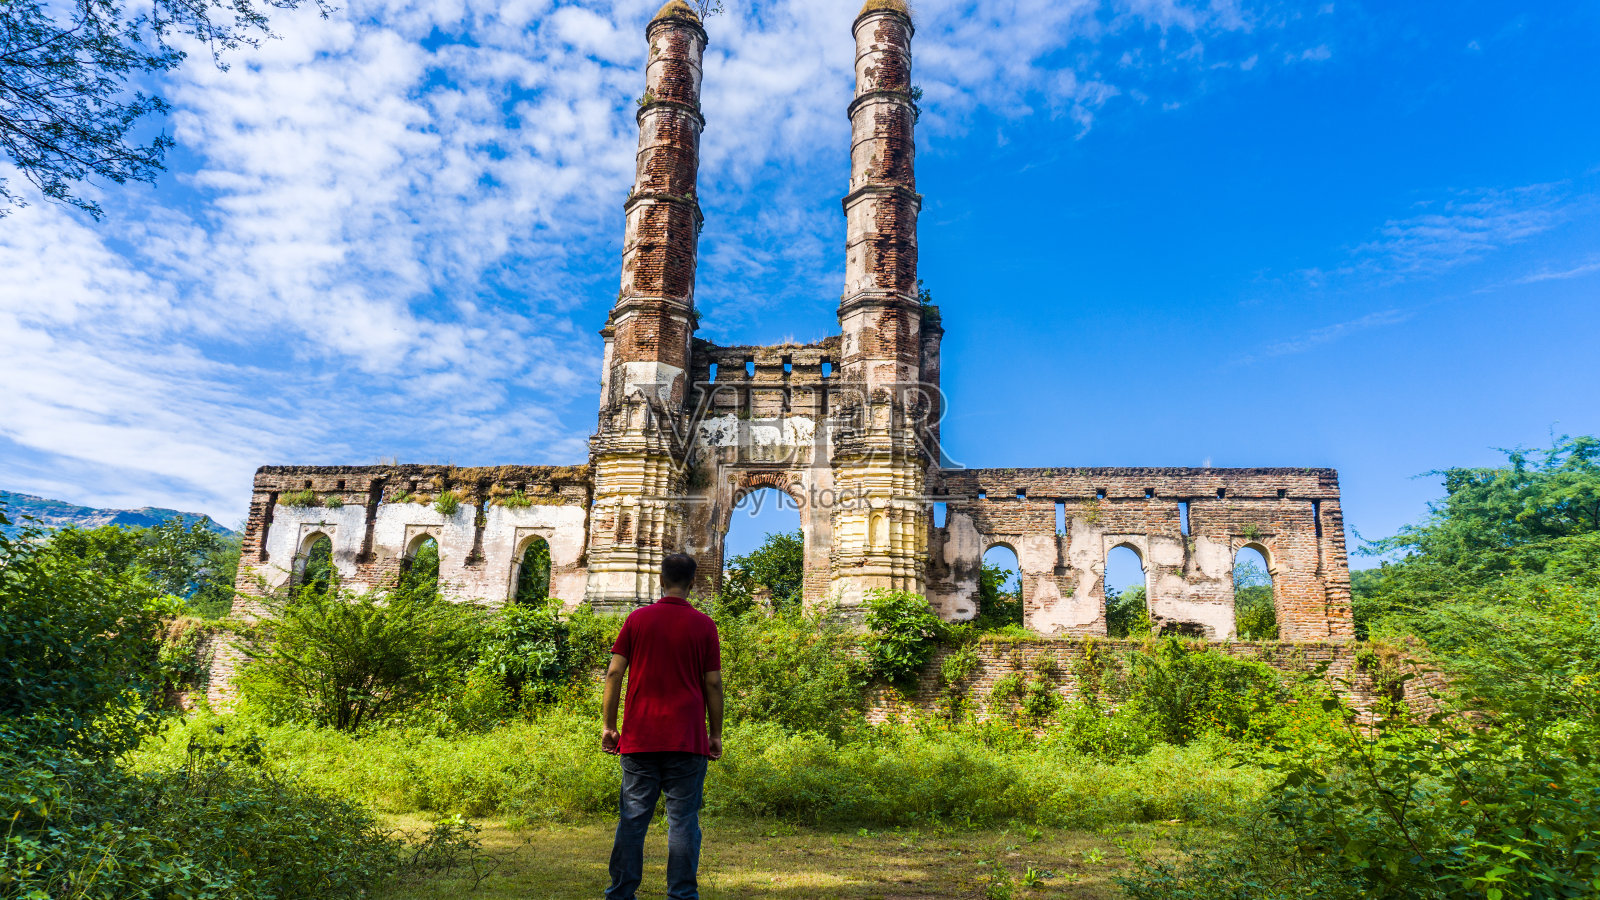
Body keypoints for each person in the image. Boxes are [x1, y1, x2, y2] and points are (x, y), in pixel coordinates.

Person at [601, 552, 723, 900]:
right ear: (693, 583)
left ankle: (621, 894)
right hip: (687, 738)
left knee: (633, 820)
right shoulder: (704, 625)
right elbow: (712, 683)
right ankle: (682, 896)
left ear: (660, 580)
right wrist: (715, 734)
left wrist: (609, 726)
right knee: (683, 821)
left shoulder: (638, 619)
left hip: (640, 737)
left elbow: (614, 672)